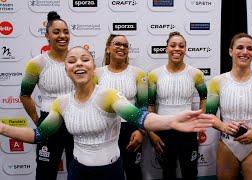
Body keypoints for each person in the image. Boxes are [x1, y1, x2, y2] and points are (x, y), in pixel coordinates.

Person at [1, 46, 215, 180]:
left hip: (110, 171)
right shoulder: (61, 104)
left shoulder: (108, 96)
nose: (78, 64)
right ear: (66, 69)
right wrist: (2, 127)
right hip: (78, 173)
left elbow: (141, 117)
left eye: (84, 59)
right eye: (72, 60)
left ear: (93, 66)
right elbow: (38, 136)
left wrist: (172, 121)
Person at [205, 33, 252, 180]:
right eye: (240, 47)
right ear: (230, 51)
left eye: (250, 48)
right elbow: (209, 115)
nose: (245, 52)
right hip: (227, 145)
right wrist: (223, 127)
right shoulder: (217, 82)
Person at [20, 11, 74, 180]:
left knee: (78, 171)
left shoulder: (78, 59)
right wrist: (38, 120)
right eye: (56, 32)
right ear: (47, 36)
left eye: (65, 31)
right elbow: (24, 95)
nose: (62, 36)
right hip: (49, 123)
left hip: (77, 123)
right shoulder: (36, 63)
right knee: (45, 172)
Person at [148, 31, 207, 180]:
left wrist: (199, 123)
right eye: (172, 45)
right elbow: (150, 104)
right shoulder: (154, 75)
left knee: (190, 173)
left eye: (181, 46)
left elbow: (204, 98)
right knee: (168, 173)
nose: (177, 49)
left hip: (188, 131)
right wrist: (152, 132)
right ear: (166, 48)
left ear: (185, 49)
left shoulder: (196, 74)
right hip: (163, 131)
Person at [95, 34, 146, 180]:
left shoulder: (138, 74)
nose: (121, 47)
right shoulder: (96, 74)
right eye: (117, 44)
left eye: (125, 45)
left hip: (131, 130)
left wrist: (141, 131)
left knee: (133, 171)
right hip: (104, 130)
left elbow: (143, 106)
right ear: (108, 48)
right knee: (108, 173)